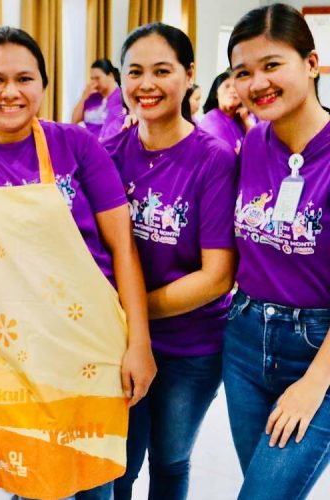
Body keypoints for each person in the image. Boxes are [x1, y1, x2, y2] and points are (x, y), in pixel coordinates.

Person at [0, 26, 156, 500]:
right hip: (10, 355)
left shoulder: (77, 146)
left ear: (44, 86)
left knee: (94, 486)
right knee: (31, 484)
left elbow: (122, 248)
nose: (10, 92)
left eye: (24, 78)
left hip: (91, 348)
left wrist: (139, 344)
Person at [104, 24, 238, 500]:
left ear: (189, 75)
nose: (147, 84)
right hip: (116, 343)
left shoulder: (214, 158)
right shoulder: (108, 156)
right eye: (135, 72)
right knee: (117, 461)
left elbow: (217, 275)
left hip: (192, 346)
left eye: (162, 71)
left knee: (169, 460)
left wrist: (134, 313)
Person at [224, 4, 330, 499]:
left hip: (318, 350)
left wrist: (313, 385)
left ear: (310, 63)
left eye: (271, 65)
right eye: (242, 72)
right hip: (244, 340)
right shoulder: (255, 143)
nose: (256, 82)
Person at [71, 58, 124, 141]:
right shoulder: (92, 97)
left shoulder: (121, 98)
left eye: (97, 78)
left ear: (110, 76)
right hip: (87, 143)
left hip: (108, 145)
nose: (94, 83)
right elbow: (74, 120)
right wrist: (84, 96)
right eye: (92, 79)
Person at [200, 70, 250, 153]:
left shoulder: (240, 119)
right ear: (216, 93)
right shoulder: (212, 123)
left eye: (236, 87)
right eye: (227, 86)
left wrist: (246, 122)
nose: (233, 90)